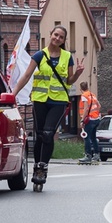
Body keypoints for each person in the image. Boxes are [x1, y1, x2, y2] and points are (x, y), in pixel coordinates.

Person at [12, 25, 84, 190]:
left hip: (58, 101)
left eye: (61, 37)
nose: (57, 39)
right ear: (50, 35)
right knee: (39, 136)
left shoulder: (67, 57)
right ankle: (37, 165)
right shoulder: (39, 55)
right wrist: (14, 93)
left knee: (48, 133)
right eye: (56, 35)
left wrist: (78, 74)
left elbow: (69, 81)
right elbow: (27, 75)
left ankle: (42, 168)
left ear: (64, 41)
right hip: (40, 100)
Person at [78, 82, 102, 164]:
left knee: (86, 137)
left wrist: (82, 119)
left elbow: (86, 108)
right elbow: (99, 106)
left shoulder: (84, 96)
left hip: (89, 120)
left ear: (80, 88)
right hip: (96, 119)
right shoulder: (92, 95)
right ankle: (96, 155)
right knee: (93, 137)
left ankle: (88, 155)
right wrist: (96, 114)